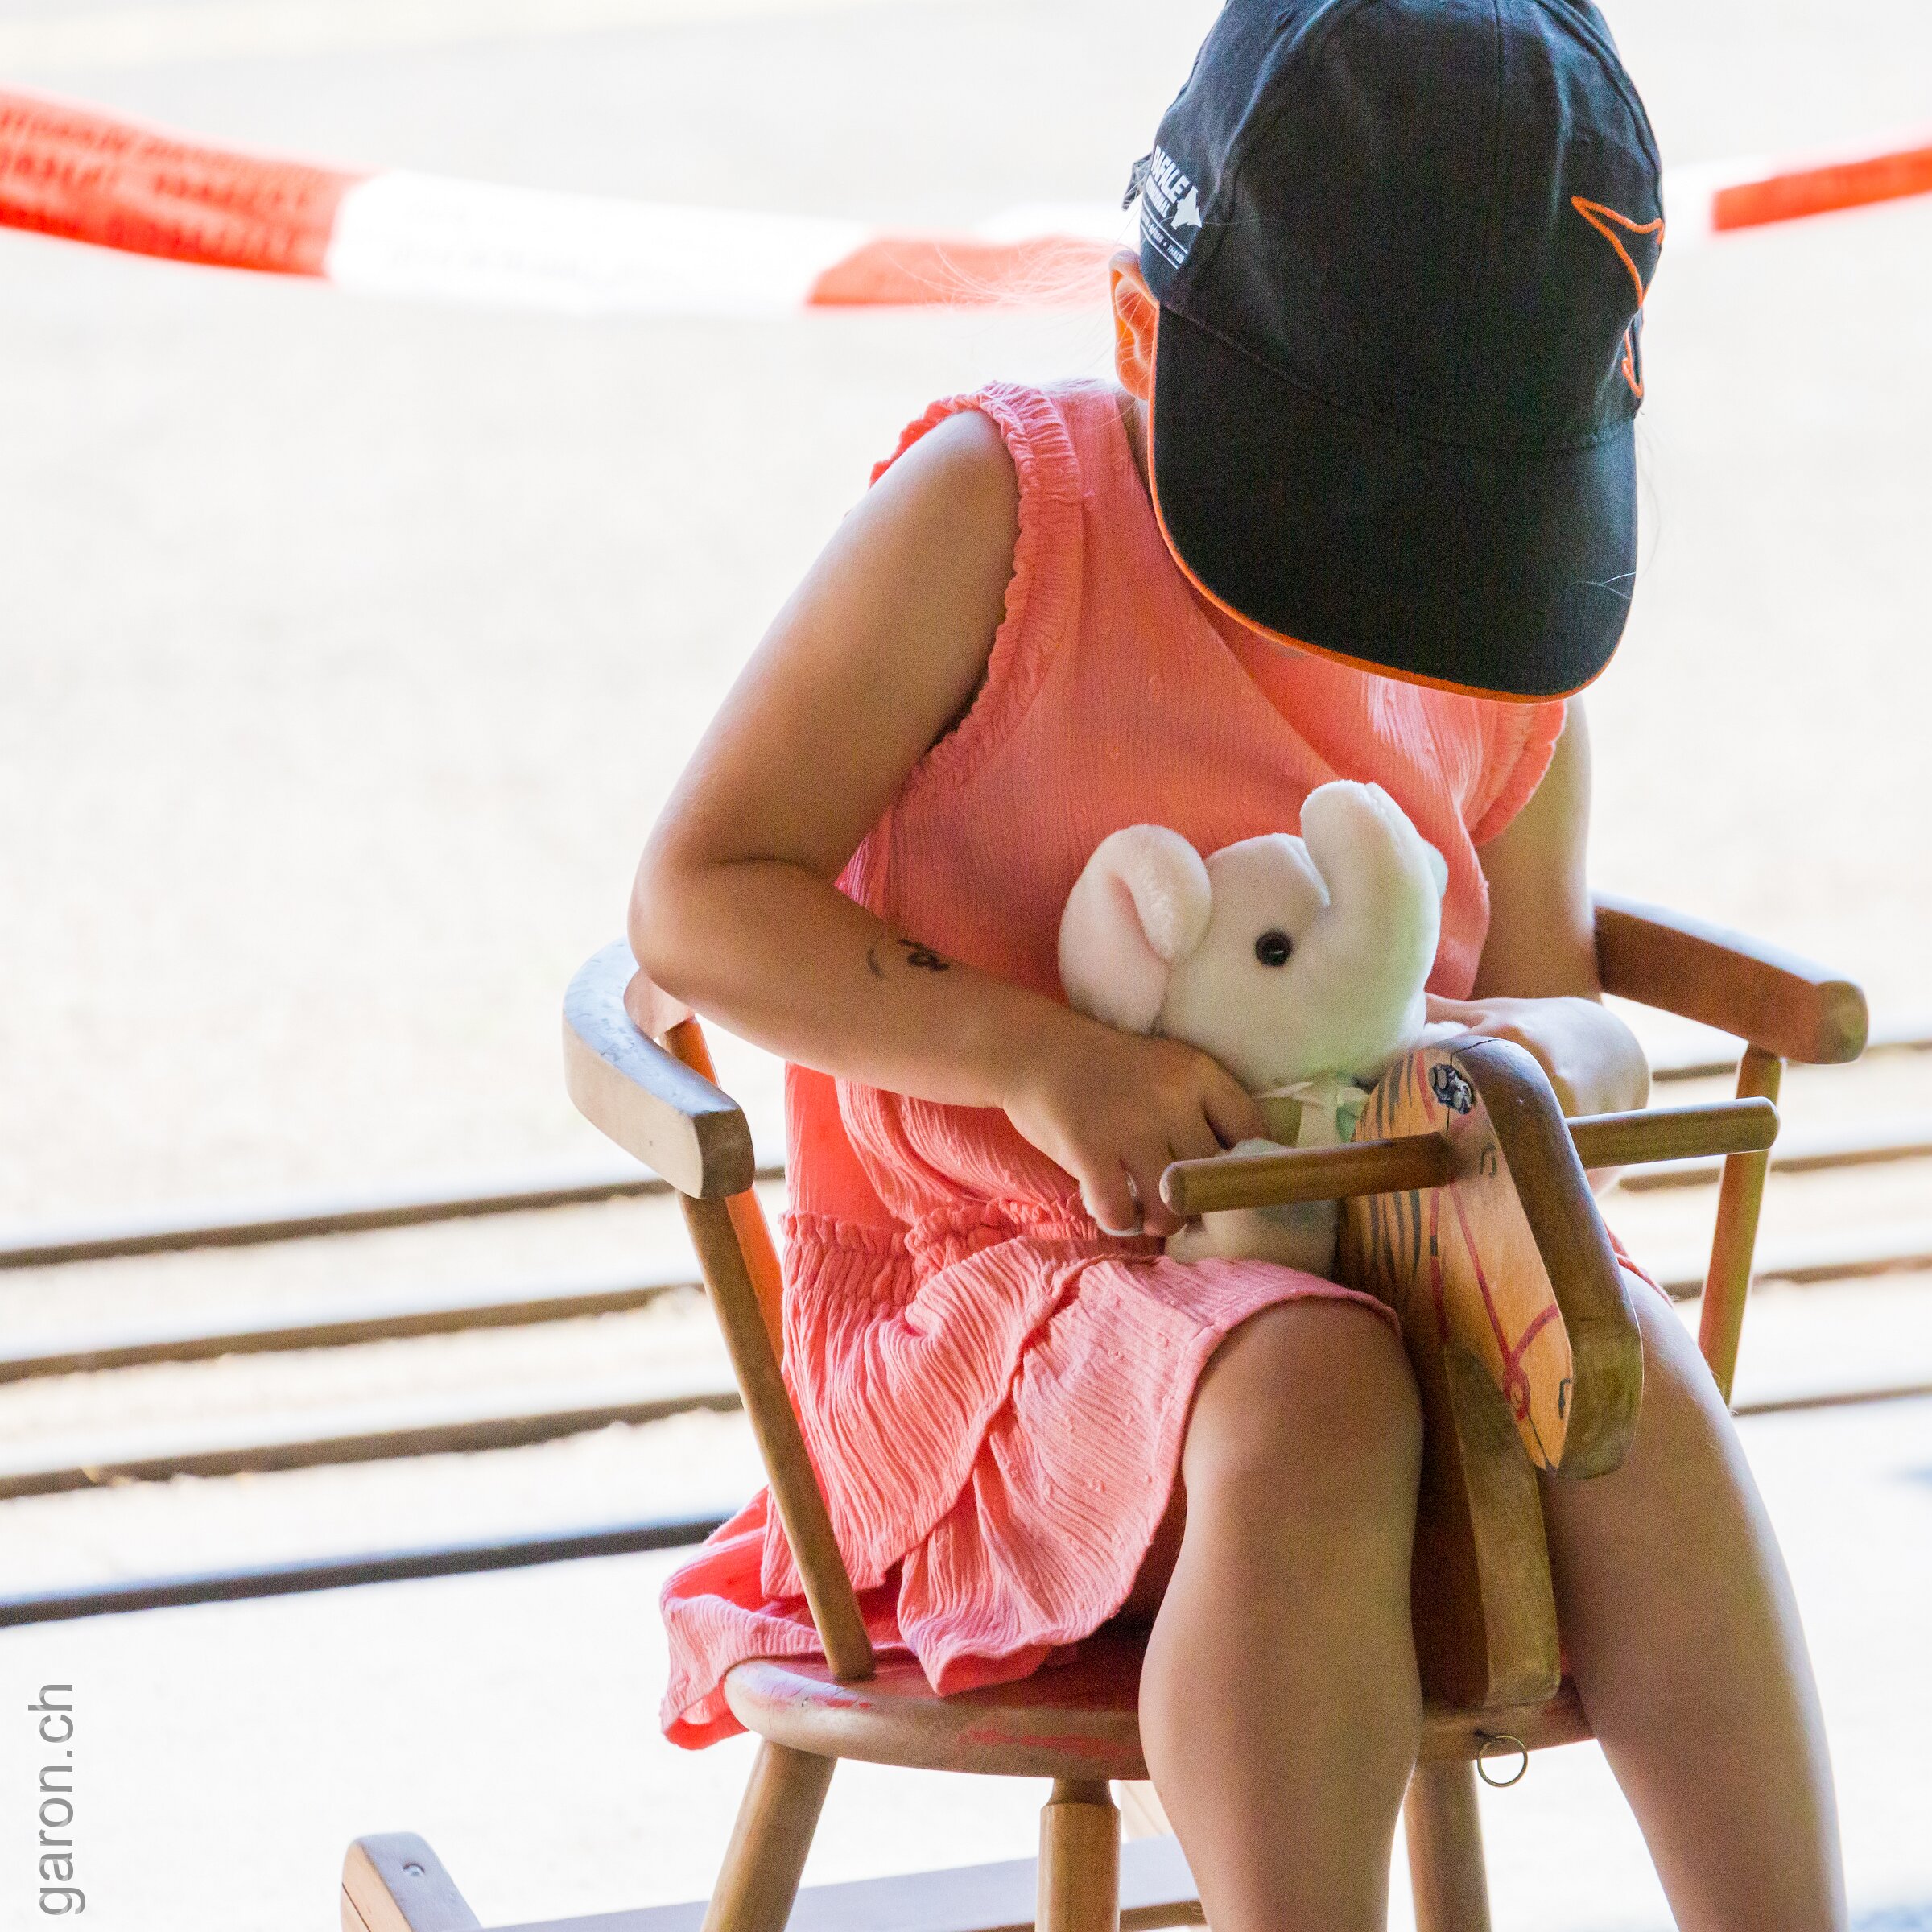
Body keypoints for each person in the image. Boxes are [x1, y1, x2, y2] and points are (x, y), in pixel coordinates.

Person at [626, 2, 1846, 1926]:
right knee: (1313, 1393)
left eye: (1461, 541)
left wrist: (1529, 1057)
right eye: (1339, 520)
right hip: (997, 1313)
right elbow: (701, 894)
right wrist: (1041, 1059)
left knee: (1635, 1393)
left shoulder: (1503, 651)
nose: (1404, 597)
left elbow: (1540, 990)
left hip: (1398, 1263)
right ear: (1140, 339)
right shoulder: (1003, 516)